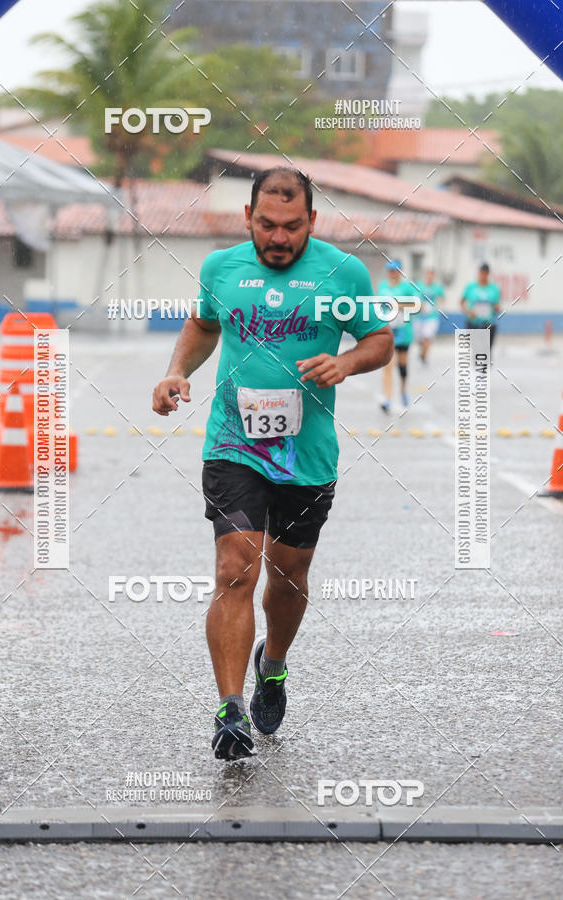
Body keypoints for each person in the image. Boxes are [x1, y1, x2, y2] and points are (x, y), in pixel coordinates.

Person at [152, 167, 393, 761]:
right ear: (248, 218)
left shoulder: (343, 273)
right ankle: (230, 711)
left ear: (312, 221)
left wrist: (348, 363)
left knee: (288, 578)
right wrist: (177, 370)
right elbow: (204, 325)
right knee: (236, 568)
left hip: (306, 455)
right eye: (266, 225)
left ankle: (274, 664)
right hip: (235, 443)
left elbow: (380, 340)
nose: (278, 237)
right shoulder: (221, 269)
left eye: (291, 226)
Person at [377, 260, 420, 411]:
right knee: (387, 366)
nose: (392, 273)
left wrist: (397, 304)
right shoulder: (382, 286)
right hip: (387, 333)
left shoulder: (407, 287)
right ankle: (387, 398)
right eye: (390, 270)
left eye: (395, 271)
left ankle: (402, 390)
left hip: (403, 332)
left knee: (402, 366)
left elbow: (417, 305)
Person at [461, 263, 501, 349]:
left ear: (488, 274)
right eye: (481, 273)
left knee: (486, 351)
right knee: (475, 350)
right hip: (473, 322)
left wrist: (496, 308)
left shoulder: (494, 288)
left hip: (488, 323)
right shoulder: (471, 287)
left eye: (485, 273)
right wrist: (468, 312)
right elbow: (461, 302)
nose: (483, 275)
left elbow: (497, 305)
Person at [414, 268, 445, 364]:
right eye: (428, 274)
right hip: (419, 316)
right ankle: (422, 350)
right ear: (425, 275)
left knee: (427, 336)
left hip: (432, 316)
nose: (429, 277)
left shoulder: (437, 287)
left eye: (431, 274)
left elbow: (442, 298)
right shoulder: (419, 285)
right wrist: (421, 305)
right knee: (419, 338)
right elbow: (416, 297)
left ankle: (424, 356)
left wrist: (438, 304)